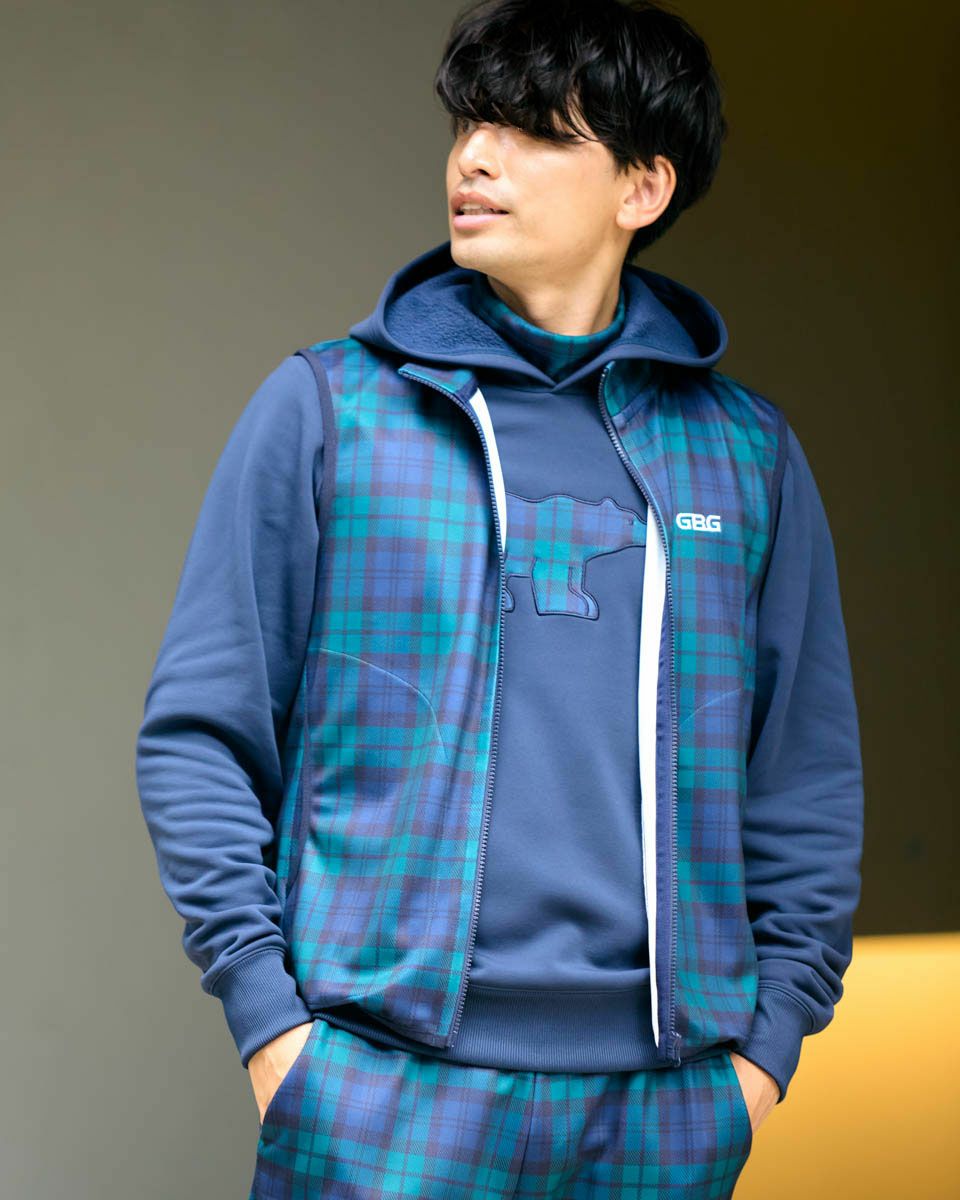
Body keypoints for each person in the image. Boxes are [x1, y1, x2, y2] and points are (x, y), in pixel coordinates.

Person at [135, 1, 864, 1195]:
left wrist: (764, 1055)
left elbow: (806, 778)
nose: (473, 158)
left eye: (530, 131)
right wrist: (275, 1030)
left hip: (667, 1109)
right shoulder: (329, 413)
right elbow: (199, 737)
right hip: (376, 1093)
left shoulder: (745, 458)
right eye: (469, 123)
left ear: (643, 187)